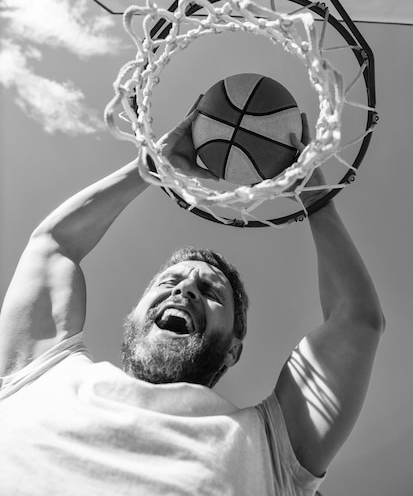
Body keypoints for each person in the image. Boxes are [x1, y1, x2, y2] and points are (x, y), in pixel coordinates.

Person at [0, 108, 385, 496]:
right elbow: (53, 244)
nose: (184, 291)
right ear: (131, 314)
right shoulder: (42, 369)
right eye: (170, 281)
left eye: (211, 292)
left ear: (234, 350)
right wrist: (152, 167)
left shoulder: (271, 446)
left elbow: (357, 322)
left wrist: (314, 198)